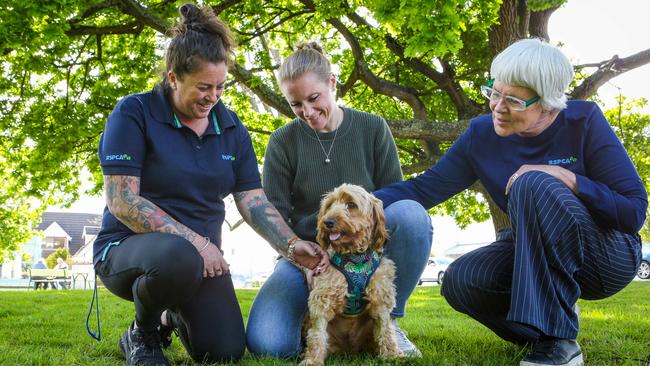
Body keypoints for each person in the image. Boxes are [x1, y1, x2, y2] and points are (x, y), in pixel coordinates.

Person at [373, 38, 647, 366]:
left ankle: (558, 343)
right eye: (494, 92)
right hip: (530, 252)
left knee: (533, 182)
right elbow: (423, 190)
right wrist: (352, 203)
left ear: (547, 103)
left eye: (514, 100)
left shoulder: (583, 120)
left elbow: (632, 212)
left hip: (606, 257)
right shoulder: (481, 135)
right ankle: (549, 328)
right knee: (462, 280)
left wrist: (569, 179)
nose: (498, 108)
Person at [93, 4, 328, 366]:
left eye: (220, 86)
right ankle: (143, 334)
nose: (213, 96)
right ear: (173, 78)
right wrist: (198, 243)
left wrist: (292, 245)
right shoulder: (134, 113)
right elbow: (122, 201)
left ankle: (171, 315)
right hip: (130, 251)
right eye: (203, 87)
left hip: (203, 261)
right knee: (178, 256)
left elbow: (252, 199)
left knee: (225, 352)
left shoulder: (230, 126)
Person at [246, 42, 433, 358]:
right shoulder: (282, 142)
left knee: (412, 214)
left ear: (332, 82)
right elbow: (274, 216)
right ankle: (316, 334)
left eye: (314, 98)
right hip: (307, 255)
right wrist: (298, 256)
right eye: (295, 104)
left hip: (364, 253)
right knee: (270, 344)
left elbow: (393, 199)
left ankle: (387, 323)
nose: (307, 111)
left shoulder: (373, 127)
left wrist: (369, 260)